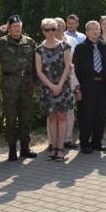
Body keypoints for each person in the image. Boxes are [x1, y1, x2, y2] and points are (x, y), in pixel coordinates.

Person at [0, 15, 38, 161]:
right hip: (10, 87)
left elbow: (36, 63)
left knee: (26, 118)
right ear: (8, 28)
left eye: (19, 26)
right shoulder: (2, 42)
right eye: (14, 26)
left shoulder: (29, 42)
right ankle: (12, 149)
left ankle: (25, 147)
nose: (17, 28)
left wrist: (36, 82)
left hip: (26, 85)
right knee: (11, 118)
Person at [36, 18, 74, 162]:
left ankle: (61, 149)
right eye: (47, 29)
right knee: (52, 118)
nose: (51, 32)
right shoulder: (39, 49)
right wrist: (52, 86)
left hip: (63, 87)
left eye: (53, 29)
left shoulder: (64, 46)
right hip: (47, 89)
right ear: (43, 31)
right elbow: (39, 71)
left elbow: (67, 66)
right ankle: (53, 147)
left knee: (62, 117)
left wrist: (60, 85)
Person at [73, 20, 106, 154]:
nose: (95, 31)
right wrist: (77, 89)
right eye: (92, 29)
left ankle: (97, 142)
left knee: (100, 116)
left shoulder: (104, 46)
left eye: (97, 29)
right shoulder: (80, 48)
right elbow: (75, 70)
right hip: (87, 85)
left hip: (101, 85)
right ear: (87, 32)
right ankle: (84, 143)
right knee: (87, 116)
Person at [53, 17, 79, 149]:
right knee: (53, 113)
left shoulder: (72, 41)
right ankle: (53, 141)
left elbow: (76, 62)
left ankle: (67, 139)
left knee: (69, 111)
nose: (58, 27)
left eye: (61, 24)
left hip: (69, 80)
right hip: (53, 82)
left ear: (65, 26)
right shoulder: (47, 42)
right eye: (56, 25)